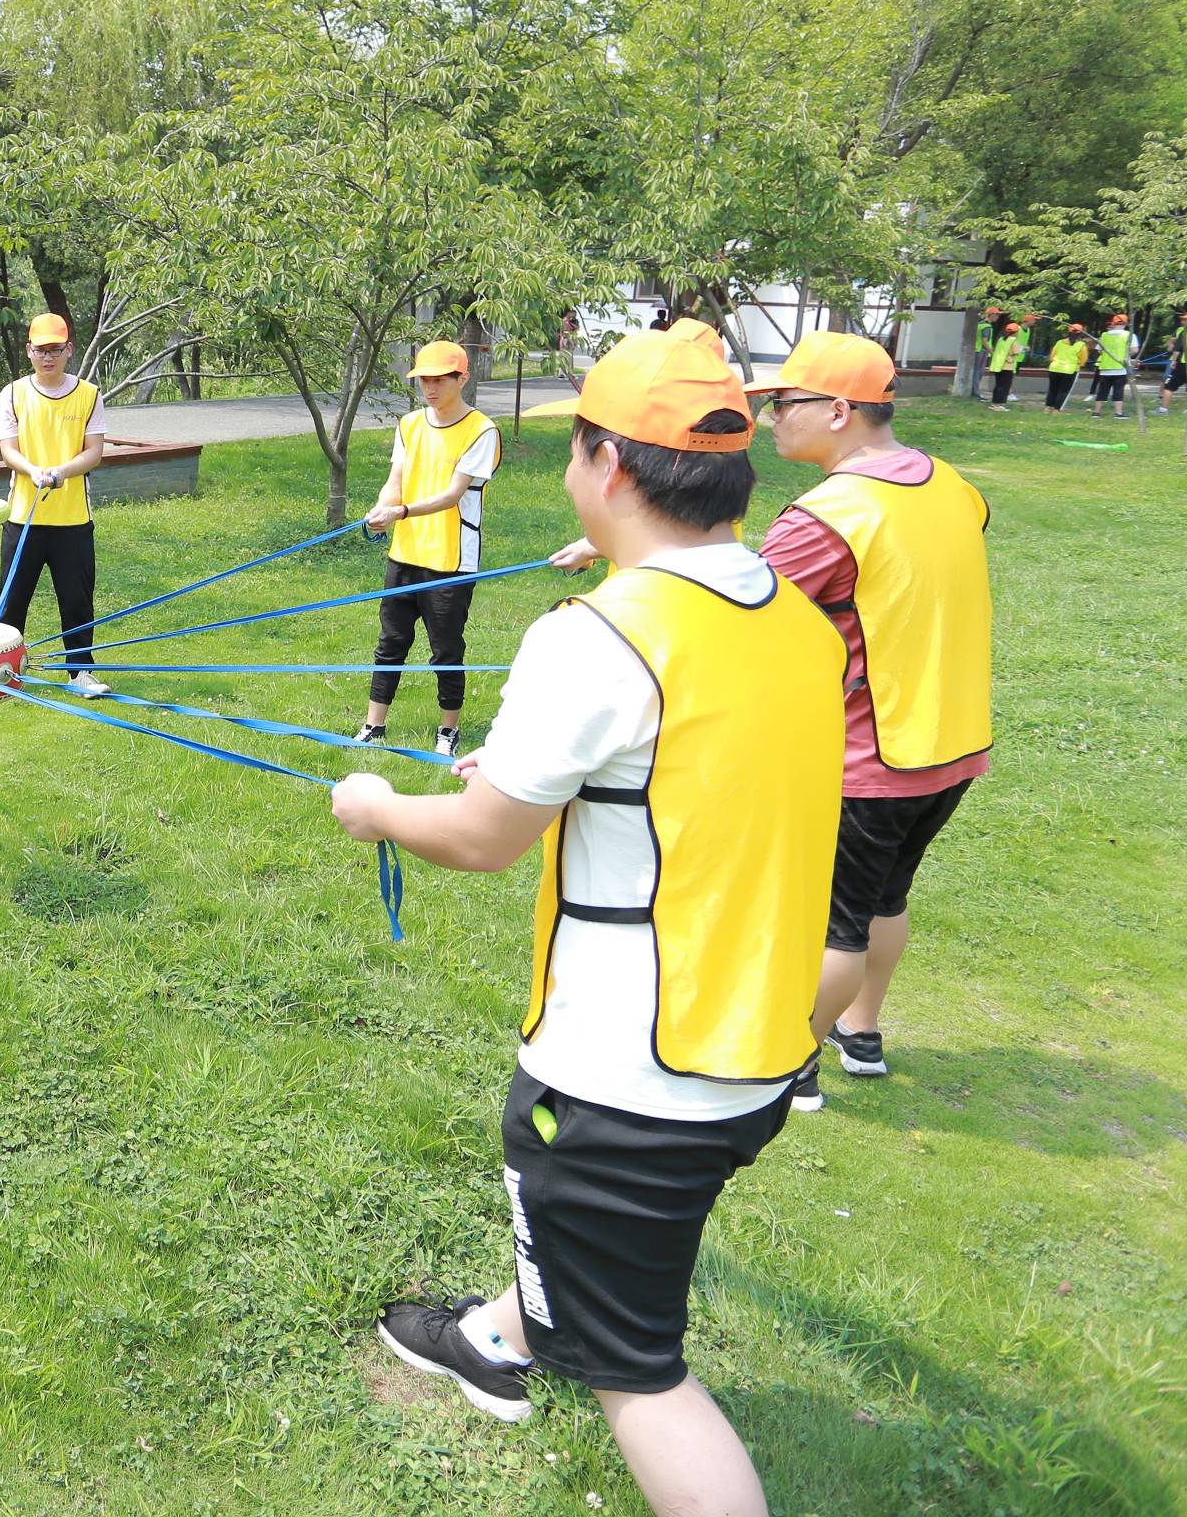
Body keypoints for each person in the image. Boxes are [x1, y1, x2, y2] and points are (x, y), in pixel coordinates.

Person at [332, 332, 839, 1517]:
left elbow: (484, 837)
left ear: (609, 465)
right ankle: (500, 1339)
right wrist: (534, 773)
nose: (569, 473)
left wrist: (376, 808)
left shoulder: (597, 637)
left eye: (573, 450)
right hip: (757, 1043)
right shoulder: (792, 615)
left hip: (632, 1077)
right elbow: (683, 773)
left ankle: (572, 1352)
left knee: (638, 1372)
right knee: (608, 1257)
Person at [747, 333, 993, 1112]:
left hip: (866, 761)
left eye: (782, 404)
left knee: (834, 927)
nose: (770, 419)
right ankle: (862, 1031)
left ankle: (791, 1064)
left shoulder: (826, 517)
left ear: (837, 411)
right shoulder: (952, 485)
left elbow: (738, 616)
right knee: (885, 900)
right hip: (951, 749)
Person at [357, 340, 501, 757]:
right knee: (390, 642)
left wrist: (400, 512)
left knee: (446, 650)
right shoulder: (409, 424)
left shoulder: (482, 431)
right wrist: (382, 510)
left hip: (451, 561)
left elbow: (452, 495)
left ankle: (448, 731)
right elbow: (396, 480)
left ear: (462, 379)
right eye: (424, 380)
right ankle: (373, 726)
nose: (430, 388)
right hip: (404, 554)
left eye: (439, 380)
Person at [0, 313, 113, 699]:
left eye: (55, 349)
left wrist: (62, 471)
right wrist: (33, 470)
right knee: (13, 600)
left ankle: (80, 673)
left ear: (69, 350)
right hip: (22, 517)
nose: (48, 357)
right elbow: (9, 450)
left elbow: (94, 452)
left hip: (72, 520)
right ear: (29, 351)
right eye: (41, 350)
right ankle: (4, 673)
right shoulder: (13, 393)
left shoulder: (89, 394)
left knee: (77, 602)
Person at [1088, 312, 1134, 418]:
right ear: (1126, 323)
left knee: (1102, 391)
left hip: (1105, 368)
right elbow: (1134, 350)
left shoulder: (1104, 335)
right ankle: (1118, 413)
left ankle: (1096, 412)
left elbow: (1100, 351)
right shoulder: (1129, 335)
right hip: (1120, 368)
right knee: (1118, 390)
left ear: (1113, 323)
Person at [1043, 323, 1088, 412]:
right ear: (1081, 334)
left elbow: (1052, 356)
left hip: (1054, 368)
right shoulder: (1081, 345)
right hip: (1070, 370)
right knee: (1064, 391)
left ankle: (1048, 407)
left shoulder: (1059, 342)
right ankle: (1057, 410)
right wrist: (1080, 365)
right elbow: (1083, 359)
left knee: (1052, 389)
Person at [986, 313, 1025, 410]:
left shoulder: (1001, 339)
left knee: (998, 385)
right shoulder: (1013, 341)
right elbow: (1016, 352)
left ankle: (994, 403)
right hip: (1008, 367)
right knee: (1004, 387)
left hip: (998, 366)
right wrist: (1023, 349)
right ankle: (999, 405)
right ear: (1016, 332)